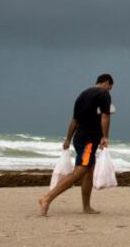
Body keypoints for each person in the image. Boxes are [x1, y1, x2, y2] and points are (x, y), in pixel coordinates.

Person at [38, 74, 114, 216]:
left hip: (80, 138)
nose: (109, 90)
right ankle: (47, 198)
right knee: (80, 171)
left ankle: (86, 207)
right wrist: (105, 136)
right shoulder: (104, 94)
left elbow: (75, 120)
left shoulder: (83, 95)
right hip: (88, 141)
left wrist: (68, 139)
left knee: (88, 172)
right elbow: (105, 116)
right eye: (110, 87)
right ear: (106, 83)